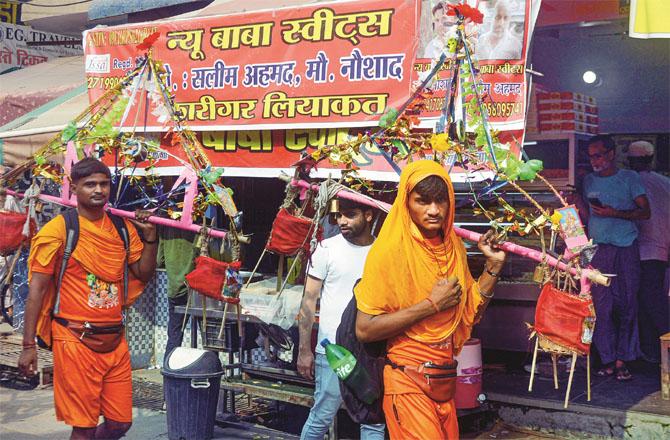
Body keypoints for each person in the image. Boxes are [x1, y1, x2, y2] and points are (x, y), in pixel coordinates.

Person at [354, 160, 506, 439]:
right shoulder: (388, 252)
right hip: (407, 380)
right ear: (406, 202)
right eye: (423, 201)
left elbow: (469, 313)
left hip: (445, 378)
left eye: (441, 201)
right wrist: (431, 305)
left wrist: (493, 267)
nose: (434, 211)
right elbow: (365, 329)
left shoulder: (453, 247)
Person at [18, 157, 158, 440]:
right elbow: (37, 291)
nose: (98, 190)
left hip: (115, 340)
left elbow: (143, 273)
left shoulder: (122, 229)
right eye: (90, 184)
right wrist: (28, 344)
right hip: (74, 339)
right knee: (83, 428)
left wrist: (152, 240)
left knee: (120, 424)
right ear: (74, 187)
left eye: (104, 184)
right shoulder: (58, 230)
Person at [297, 197, 385, 440]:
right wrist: (304, 349)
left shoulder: (383, 252)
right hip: (333, 351)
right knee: (322, 415)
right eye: (338, 216)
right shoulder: (326, 249)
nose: (342, 221)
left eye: (350, 214)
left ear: (369, 215)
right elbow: (308, 301)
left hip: (370, 350)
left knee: (373, 418)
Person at [578, 135, 650, 381]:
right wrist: (575, 203)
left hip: (626, 248)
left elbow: (645, 212)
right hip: (598, 250)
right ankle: (608, 359)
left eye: (598, 155)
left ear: (611, 154)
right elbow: (589, 217)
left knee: (627, 304)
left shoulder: (629, 179)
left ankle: (623, 360)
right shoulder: (588, 181)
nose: (594, 160)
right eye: (590, 156)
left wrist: (614, 213)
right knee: (601, 307)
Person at [627, 140, 670, 362]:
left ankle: (657, 351)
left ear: (629, 160)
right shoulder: (666, 183)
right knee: (654, 300)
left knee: (647, 302)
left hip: (638, 250)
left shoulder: (628, 181)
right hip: (661, 251)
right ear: (651, 159)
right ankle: (654, 352)